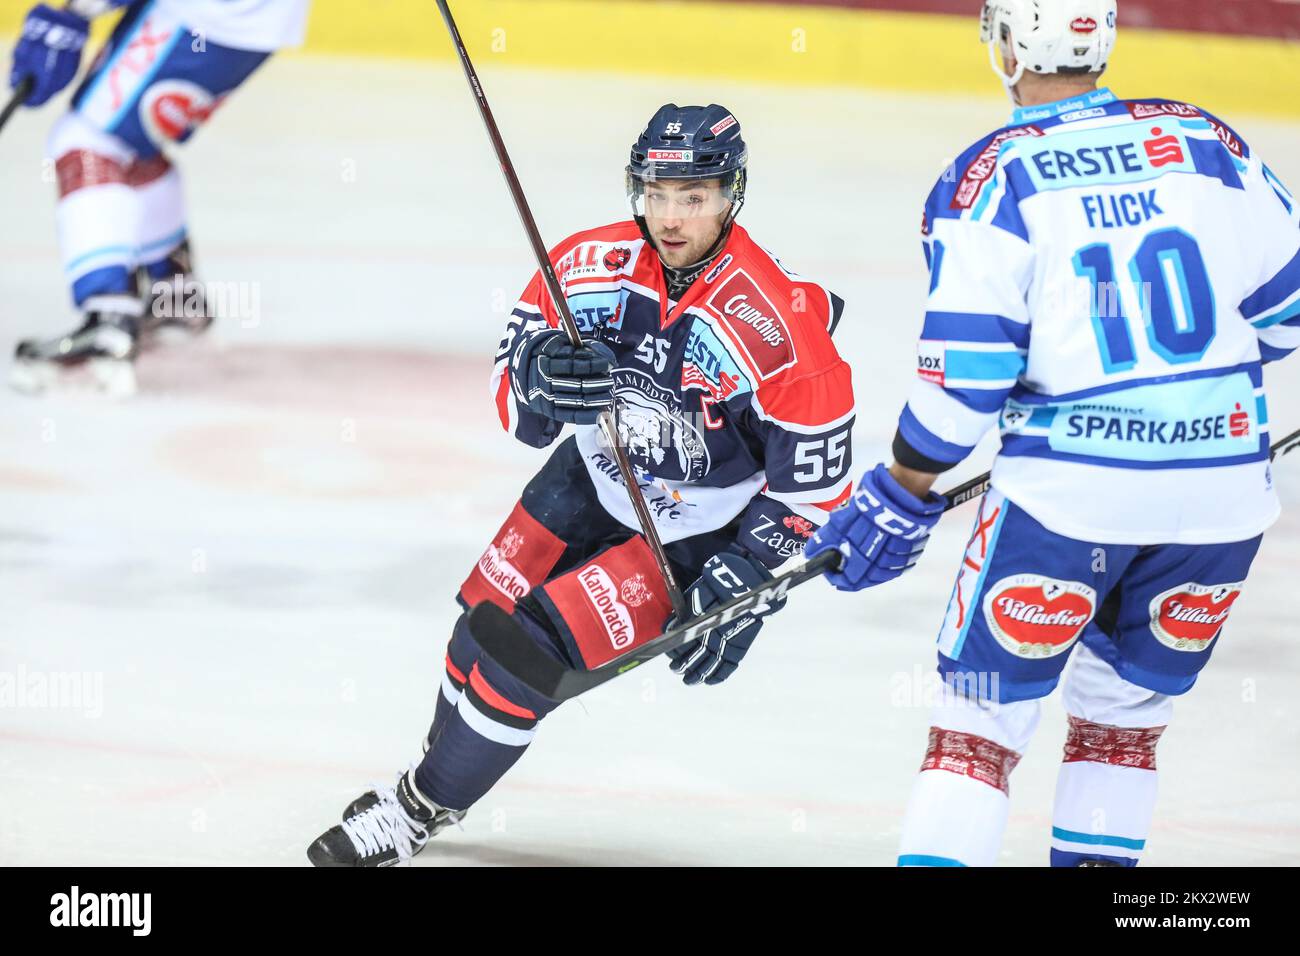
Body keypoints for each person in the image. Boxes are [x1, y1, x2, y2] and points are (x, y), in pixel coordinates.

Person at [808, 0, 1299, 866]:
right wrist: (1186, 402)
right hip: (1221, 496)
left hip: (1066, 498)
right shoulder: (1205, 140)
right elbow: (1286, 312)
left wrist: (902, 492)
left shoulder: (990, 175)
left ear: (1004, 42)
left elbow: (967, 383)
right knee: (1124, 727)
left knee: (979, 726)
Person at [308, 104, 857, 866]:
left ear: (732, 193)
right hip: (591, 473)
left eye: (693, 196)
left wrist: (752, 568)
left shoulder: (782, 328)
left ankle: (415, 809)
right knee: (479, 628)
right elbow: (514, 400)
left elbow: (816, 488)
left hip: (689, 529)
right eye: (656, 194)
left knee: (523, 658)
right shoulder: (586, 264)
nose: (670, 217)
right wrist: (537, 379)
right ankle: (442, 777)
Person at [7, 0, 311, 394]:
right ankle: (174, 299)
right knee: (130, 142)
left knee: (88, 142)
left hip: (209, 16)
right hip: (251, 19)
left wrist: (72, 12)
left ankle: (107, 323)